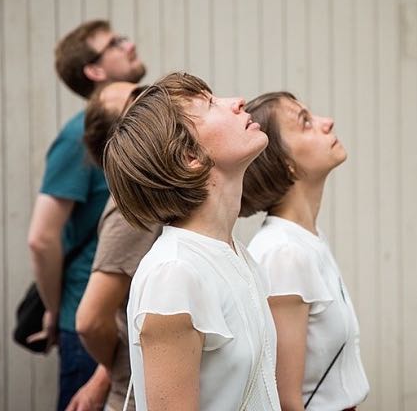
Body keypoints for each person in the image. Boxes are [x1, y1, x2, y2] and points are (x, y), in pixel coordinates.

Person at [102, 72, 281, 410]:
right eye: (210, 104)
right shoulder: (174, 273)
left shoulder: (236, 255)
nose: (238, 102)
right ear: (189, 156)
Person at [26, 19, 146, 411]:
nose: (128, 45)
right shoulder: (78, 136)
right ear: (94, 71)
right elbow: (42, 237)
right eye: (115, 43)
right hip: (94, 324)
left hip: (124, 317)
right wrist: (57, 309)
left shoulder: (133, 122)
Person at [240, 92, 369, 410]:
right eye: (305, 123)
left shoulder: (306, 239)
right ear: (287, 165)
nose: (328, 123)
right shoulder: (283, 253)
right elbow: (286, 402)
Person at [67, 82, 158, 411]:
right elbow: (90, 320)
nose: (153, 96)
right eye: (137, 98)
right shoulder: (132, 210)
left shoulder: (158, 195)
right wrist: (117, 367)